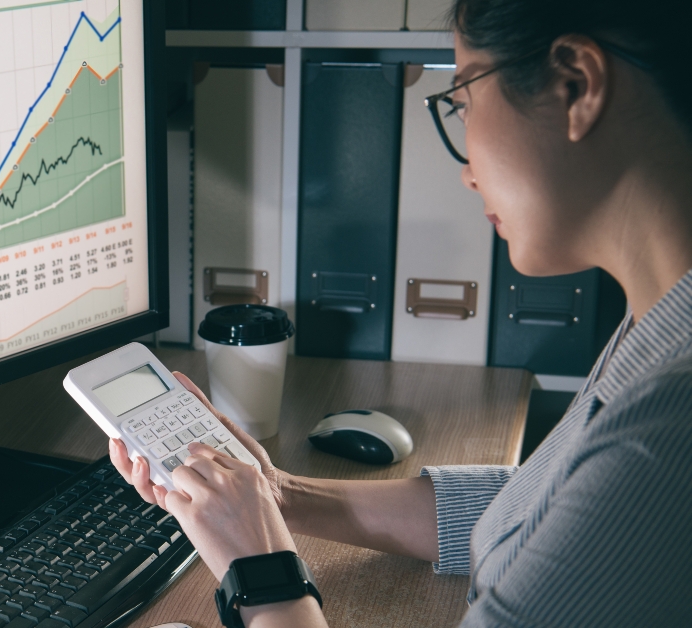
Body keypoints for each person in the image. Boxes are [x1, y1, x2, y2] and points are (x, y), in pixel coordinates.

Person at [110, 0, 692, 625]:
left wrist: (262, 572)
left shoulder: (668, 418)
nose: (468, 173)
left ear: (575, 84)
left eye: (463, 101)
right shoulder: (658, 325)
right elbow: (551, 514)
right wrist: (277, 492)